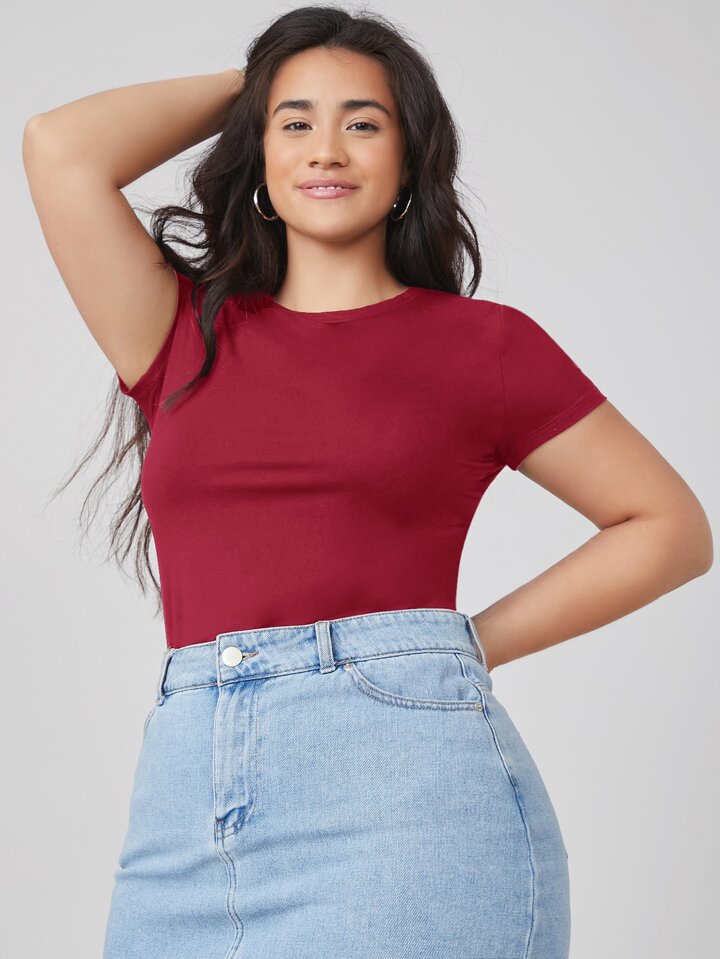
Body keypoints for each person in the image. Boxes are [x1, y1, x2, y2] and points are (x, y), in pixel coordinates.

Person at [22, 7, 712, 959]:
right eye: (296, 123)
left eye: (363, 122)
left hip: (410, 810)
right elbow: (58, 148)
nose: (327, 149)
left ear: (408, 158)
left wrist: (460, 646)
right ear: (259, 155)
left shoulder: (484, 348)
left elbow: (669, 525)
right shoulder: (179, 334)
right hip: (187, 822)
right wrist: (267, 77)